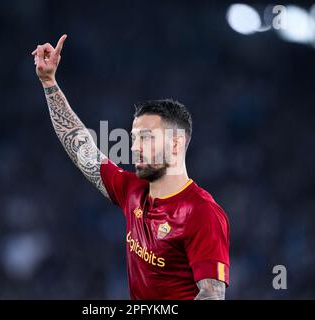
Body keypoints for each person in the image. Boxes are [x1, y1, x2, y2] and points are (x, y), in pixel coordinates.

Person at [32, 34, 230, 300]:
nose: (134, 147)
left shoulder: (202, 212)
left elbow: (212, 296)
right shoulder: (133, 191)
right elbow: (82, 149)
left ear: (175, 144)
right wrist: (49, 83)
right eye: (134, 139)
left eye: (146, 138)